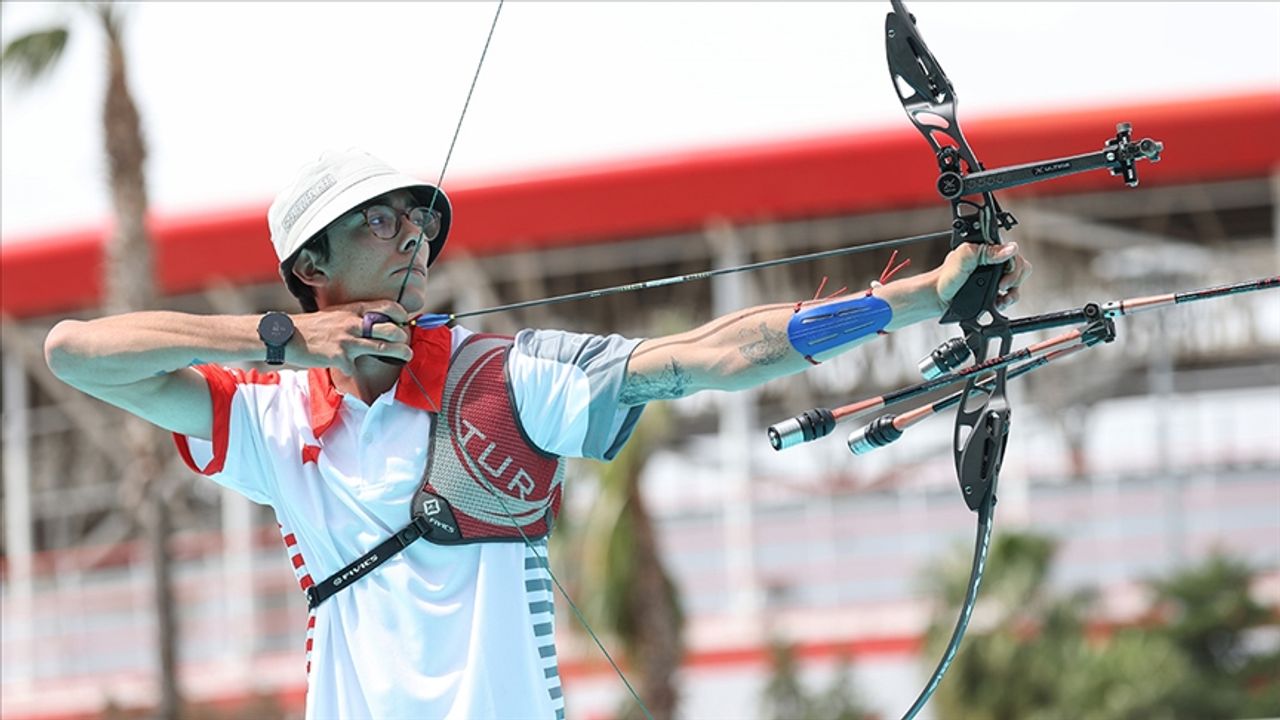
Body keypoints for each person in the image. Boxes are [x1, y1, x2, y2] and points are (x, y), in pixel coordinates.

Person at [44, 148, 1031, 719]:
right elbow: (75, 353)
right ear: (313, 261)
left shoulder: (502, 377)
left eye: (417, 227)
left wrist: (917, 300)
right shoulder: (268, 418)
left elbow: (709, 354)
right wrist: (279, 340)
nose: (415, 244)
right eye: (383, 223)